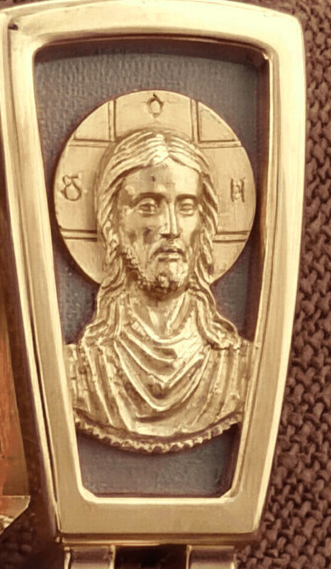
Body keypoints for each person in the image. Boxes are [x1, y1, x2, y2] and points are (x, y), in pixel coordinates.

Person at [67, 128, 252, 452]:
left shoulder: (238, 369)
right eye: (148, 206)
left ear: (205, 225)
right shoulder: (79, 372)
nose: (171, 229)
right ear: (112, 225)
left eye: (186, 206)